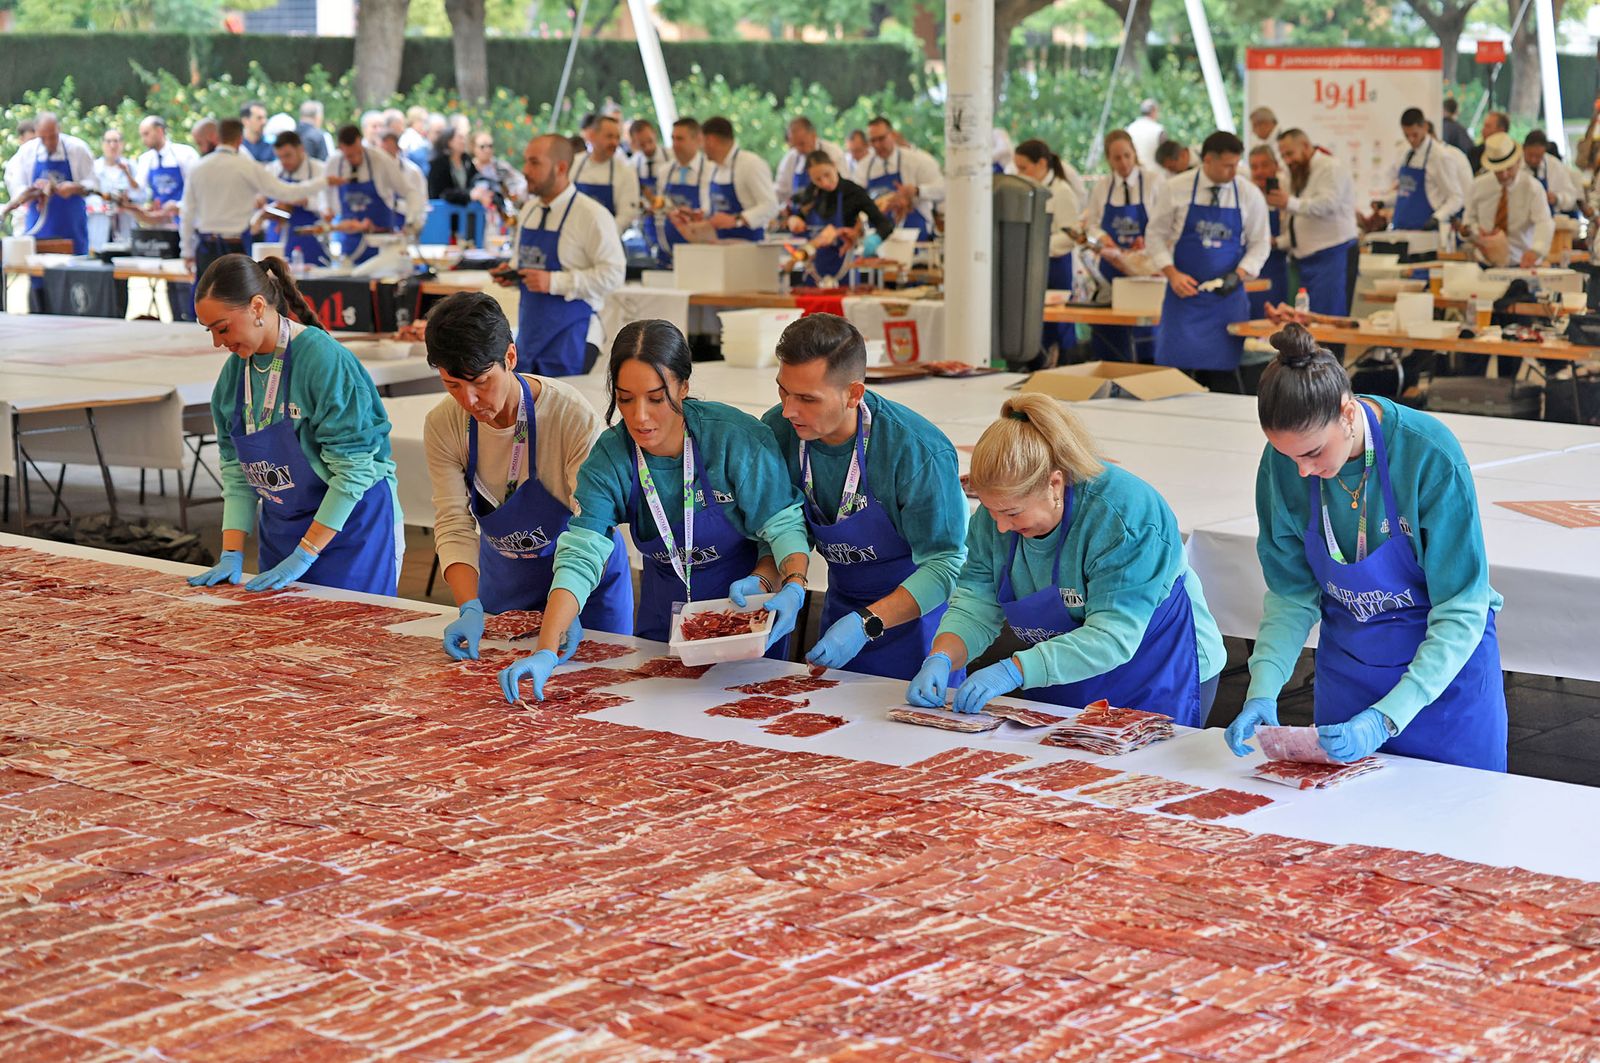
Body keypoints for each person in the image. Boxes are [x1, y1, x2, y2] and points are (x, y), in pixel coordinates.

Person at [1224, 323, 1506, 771]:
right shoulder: (1284, 464)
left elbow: (1461, 607)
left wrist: (1386, 718)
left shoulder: (1427, 454)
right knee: (1342, 813)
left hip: (1443, 682)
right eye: (1289, 456)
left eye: (1313, 453)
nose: (1302, 471)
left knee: (1455, 810)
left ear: (1347, 411)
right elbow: (1291, 594)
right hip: (1350, 673)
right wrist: (1263, 688)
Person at [497, 320, 813, 702]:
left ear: (684, 386)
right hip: (663, 623)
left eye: (656, 398)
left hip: (747, 623)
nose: (640, 417)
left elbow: (782, 526)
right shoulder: (611, 458)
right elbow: (581, 553)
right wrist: (547, 648)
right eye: (626, 399)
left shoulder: (734, 440)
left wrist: (791, 585)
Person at [907, 393, 1224, 722]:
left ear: (1054, 484)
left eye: (1012, 513)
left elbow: (1112, 636)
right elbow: (976, 603)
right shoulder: (995, 519)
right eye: (990, 510)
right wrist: (942, 655)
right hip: (1060, 670)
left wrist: (1014, 671)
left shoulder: (1125, 518)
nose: (1000, 526)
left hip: (1154, 671)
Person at [423, 292, 634, 660]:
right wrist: (469, 606)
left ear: (510, 357)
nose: (469, 401)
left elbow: (590, 527)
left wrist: (563, 610)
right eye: (452, 385)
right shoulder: (444, 424)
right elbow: (453, 523)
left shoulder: (570, 416)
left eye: (481, 381)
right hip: (505, 584)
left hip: (585, 582)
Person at [758, 314, 967, 679]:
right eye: (783, 391)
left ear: (854, 394)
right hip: (842, 611)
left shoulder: (916, 452)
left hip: (918, 620)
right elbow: (777, 522)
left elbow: (945, 564)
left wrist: (866, 623)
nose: (789, 409)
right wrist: (782, 580)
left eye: (807, 398)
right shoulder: (779, 430)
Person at [187, 254, 403, 596]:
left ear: (258, 307)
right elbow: (237, 472)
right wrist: (231, 552)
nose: (217, 342)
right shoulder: (234, 376)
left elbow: (353, 472)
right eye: (209, 331)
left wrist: (304, 555)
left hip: (352, 529)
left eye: (222, 328)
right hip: (282, 531)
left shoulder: (322, 361)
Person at [1146, 130, 1270, 391]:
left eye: (1236, 164)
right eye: (1227, 165)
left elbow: (1261, 243)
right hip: (1183, 299)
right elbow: (1154, 236)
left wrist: (1240, 274)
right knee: (1175, 381)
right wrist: (1172, 274)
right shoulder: (1175, 188)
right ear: (1208, 160)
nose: (1234, 172)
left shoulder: (1248, 194)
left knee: (1224, 382)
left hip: (1227, 302)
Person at [496, 134, 623, 376]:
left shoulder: (592, 215)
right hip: (530, 336)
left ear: (561, 168)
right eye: (526, 161)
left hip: (572, 337)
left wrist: (554, 282)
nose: (525, 170)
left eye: (534, 163)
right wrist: (511, 274)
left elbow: (614, 274)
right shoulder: (529, 210)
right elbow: (524, 263)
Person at [181, 119, 335, 283]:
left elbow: (187, 213)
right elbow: (288, 192)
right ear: (240, 139)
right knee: (239, 297)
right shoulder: (248, 167)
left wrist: (187, 251)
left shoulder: (197, 168)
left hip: (206, 247)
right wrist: (325, 181)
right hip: (236, 247)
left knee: (207, 296)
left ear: (217, 138)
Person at [1082, 129, 1167, 363]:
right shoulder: (1102, 187)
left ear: (1134, 153)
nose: (1123, 163)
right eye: (1117, 158)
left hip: (1146, 271)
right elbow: (1092, 225)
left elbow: (1165, 223)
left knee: (1146, 339)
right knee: (1111, 338)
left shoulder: (1154, 181)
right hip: (1112, 270)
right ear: (1109, 159)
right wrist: (1103, 238)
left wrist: (1148, 240)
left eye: (1127, 156)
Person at [1271, 129, 1358, 317]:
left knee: (1328, 321)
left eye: (1290, 154)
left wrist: (1289, 203)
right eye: (1283, 156)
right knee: (1307, 322)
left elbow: (1328, 204)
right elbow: (1298, 219)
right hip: (1305, 261)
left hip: (1333, 255)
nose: (1287, 160)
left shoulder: (1330, 167)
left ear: (1305, 146)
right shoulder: (1297, 173)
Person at [1013, 138, 1083, 358]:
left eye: (1023, 168)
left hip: (1056, 266)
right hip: (1032, 265)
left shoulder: (1062, 191)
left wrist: (1038, 245)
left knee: (1057, 327)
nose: (1019, 174)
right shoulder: (1028, 190)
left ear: (1042, 164)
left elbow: (1071, 235)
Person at [785, 151, 894, 285]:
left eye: (827, 175)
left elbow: (885, 225)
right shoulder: (811, 193)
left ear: (834, 166)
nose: (825, 182)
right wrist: (794, 219)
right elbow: (798, 215)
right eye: (817, 179)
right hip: (813, 271)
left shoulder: (853, 192)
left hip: (845, 270)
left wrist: (871, 241)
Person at [324, 124, 426, 264]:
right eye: (349, 156)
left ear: (360, 142)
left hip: (382, 242)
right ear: (340, 148)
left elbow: (410, 191)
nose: (354, 159)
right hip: (350, 243)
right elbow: (324, 194)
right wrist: (326, 209)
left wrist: (411, 221)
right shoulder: (334, 163)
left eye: (357, 153)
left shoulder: (381, 159)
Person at [6, 112, 95, 255]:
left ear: (59, 129)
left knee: (75, 267)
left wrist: (75, 188)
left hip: (72, 227)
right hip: (38, 226)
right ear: (36, 133)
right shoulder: (27, 152)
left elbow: (93, 184)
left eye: (53, 137)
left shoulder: (77, 149)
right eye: (43, 138)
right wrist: (33, 191)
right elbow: (17, 188)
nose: (48, 142)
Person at [681, 115, 777, 244]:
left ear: (711, 140)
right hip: (720, 246)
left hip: (750, 247)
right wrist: (700, 214)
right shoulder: (712, 168)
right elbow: (715, 209)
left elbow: (770, 206)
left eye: (702, 141)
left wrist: (736, 220)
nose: (701, 148)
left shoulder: (750, 164)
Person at [1464, 132, 1552, 269]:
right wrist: (1476, 233)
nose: (1504, 175)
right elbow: (1469, 220)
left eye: (1509, 169)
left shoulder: (1532, 188)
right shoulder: (1478, 186)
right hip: (1485, 263)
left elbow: (1544, 222)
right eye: (1498, 171)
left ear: (1518, 161)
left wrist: (1536, 251)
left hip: (1521, 262)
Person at [1375, 108, 1463, 233]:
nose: (1411, 140)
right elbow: (1406, 192)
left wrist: (1437, 218)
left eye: (1414, 135)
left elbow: (1456, 197)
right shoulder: (1405, 152)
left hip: (1426, 231)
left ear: (1425, 127)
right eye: (1407, 135)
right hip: (1401, 228)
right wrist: (1384, 202)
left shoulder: (1439, 157)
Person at [860, 116, 942, 240]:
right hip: (878, 236)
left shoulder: (917, 160)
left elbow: (943, 190)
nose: (877, 145)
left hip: (914, 235)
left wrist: (917, 191)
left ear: (893, 135)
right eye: (873, 141)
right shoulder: (863, 167)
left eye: (881, 139)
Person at [261, 130, 332, 267]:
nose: (284, 162)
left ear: (301, 149)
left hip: (310, 242)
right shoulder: (271, 170)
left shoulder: (320, 170)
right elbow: (259, 200)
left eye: (288, 156)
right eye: (280, 157)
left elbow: (330, 207)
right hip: (276, 239)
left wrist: (305, 201)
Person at [570, 114, 640, 237]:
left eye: (617, 137)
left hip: (607, 240)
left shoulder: (626, 171)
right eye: (609, 136)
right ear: (592, 136)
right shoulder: (573, 164)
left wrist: (603, 237)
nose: (614, 142)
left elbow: (627, 214)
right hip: (571, 237)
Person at [652, 117, 708, 264]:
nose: (675, 145)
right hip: (668, 250)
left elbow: (710, 210)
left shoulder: (709, 170)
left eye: (680, 139)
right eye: (673, 139)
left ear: (697, 140)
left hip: (701, 251)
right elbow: (659, 206)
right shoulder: (665, 171)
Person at [1247, 145, 1290, 324]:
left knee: (1274, 322)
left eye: (1264, 165)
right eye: (1254, 167)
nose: (1259, 172)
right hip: (1250, 269)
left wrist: (1275, 242)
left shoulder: (1286, 194)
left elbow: (1295, 235)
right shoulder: (1246, 194)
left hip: (1276, 267)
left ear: (1275, 166)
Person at [134, 115, 198, 231]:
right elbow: (138, 189)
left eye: (146, 134)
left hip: (185, 219)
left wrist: (178, 206)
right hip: (161, 222)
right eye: (142, 135)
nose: (143, 140)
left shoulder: (184, 154)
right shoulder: (145, 159)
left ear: (159, 131)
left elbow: (196, 189)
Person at [774, 116, 846, 205]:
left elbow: (844, 185)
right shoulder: (790, 158)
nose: (799, 149)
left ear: (813, 135)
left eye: (802, 144)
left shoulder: (833, 152)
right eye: (794, 145)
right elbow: (781, 191)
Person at [628, 118, 671, 258]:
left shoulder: (671, 157)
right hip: (648, 221)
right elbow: (633, 196)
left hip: (671, 219)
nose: (647, 147)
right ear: (634, 143)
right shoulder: (633, 164)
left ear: (655, 135)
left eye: (650, 141)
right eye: (642, 144)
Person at [91, 128, 138, 247]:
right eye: (108, 141)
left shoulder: (131, 167)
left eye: (116, 141)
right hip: (99, 225)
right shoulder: (94, 168)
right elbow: (87, 196)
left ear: (122, 144)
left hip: (125, 225)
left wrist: (127, 200)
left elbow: (142, 194)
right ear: (102, 144)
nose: (112, 146)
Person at [468, 130, 529, 216]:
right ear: (473, 148)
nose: (487, 150)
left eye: (490, 146)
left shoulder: (501, 167)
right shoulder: (468, 168)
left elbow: (521, 183)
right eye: (482, 146)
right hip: (474, 215)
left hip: (500, 214)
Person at [1522, 130, 1582, 218]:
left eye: (1538, 156)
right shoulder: (1514, 167)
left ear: (1544, 151)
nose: (1533, 160)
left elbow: (1571, 198)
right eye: (1530, 155)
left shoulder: (1555, 165)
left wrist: (1557, 199)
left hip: (1551, 219)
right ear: (1523, 149)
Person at [380, 130, 430, 227]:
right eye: (383, 150)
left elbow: (421, 201)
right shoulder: (376, 172)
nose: (385, 154)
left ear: (397, 148)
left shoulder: (412, 171)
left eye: (389, 149)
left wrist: (396, 205)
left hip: (407, 221)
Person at [428, 126, 473, 204]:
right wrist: (468, 195)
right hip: (444, 209)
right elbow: (441, 192)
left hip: (466, 209)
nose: (463, 141)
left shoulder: (467, 160)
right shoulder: (438, 164)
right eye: (460, 138)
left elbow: (474, 179)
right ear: (449, 141)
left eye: (464, 138)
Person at [2, 118, 37, 199]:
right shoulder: (14, 164)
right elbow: (18, 194)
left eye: (37, 140)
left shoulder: (41, 159)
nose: (34, 144)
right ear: (21, 139)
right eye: (31, 140)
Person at [1126, 99, 1165, 170]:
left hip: (1135, 172)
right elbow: (1167, 155)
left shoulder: (1130, 129)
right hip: (1156, 173)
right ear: (1153, 111)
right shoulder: (1158, 130)